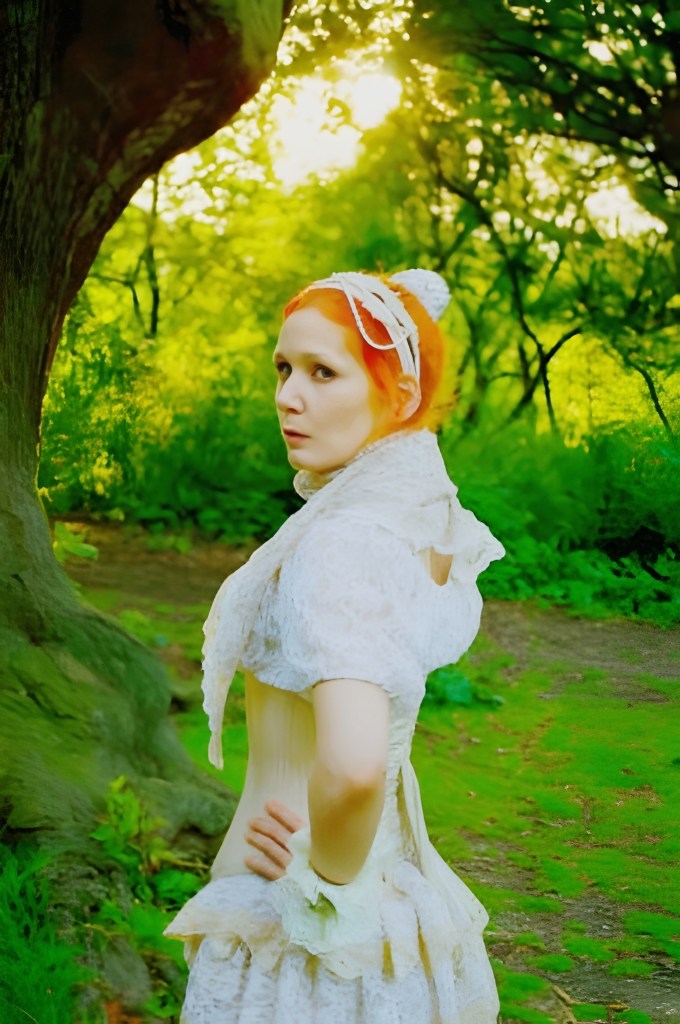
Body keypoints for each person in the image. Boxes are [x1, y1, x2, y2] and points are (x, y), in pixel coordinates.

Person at [164, 268, 505, 1023]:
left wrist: (323, 887)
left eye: (323, 372)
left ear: (401, 395)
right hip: (392, 893)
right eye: (284, 369)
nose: (289, 396)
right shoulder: (419, 519)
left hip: (307, 922)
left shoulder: (344, 541)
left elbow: (353, 769)